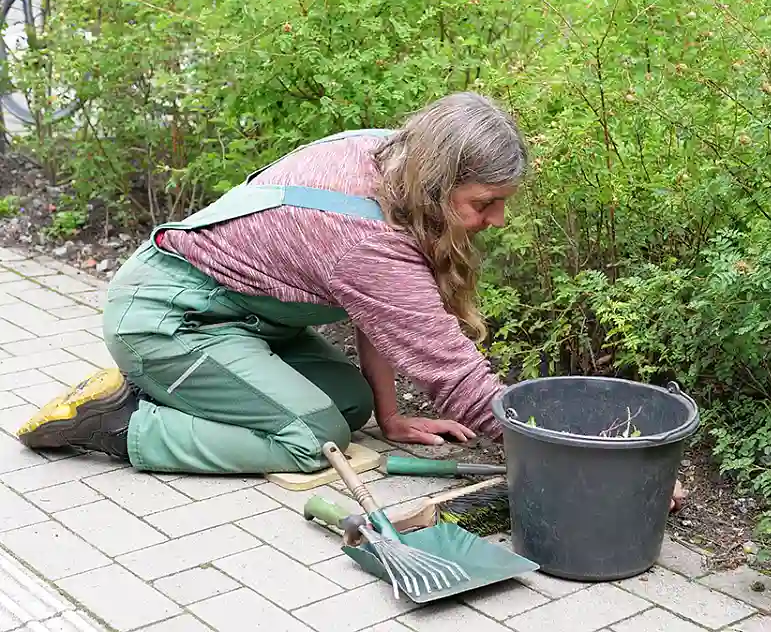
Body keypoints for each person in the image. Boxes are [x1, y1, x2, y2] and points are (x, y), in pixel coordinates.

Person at [16, 91, 685, 509]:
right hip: (169, 321)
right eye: (486, 204)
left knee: (352, 404)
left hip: (237, 322)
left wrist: (390, 419)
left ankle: (188, 393)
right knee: (311, 434)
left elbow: (380, 311)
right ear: (440, 185)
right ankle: (124, 423)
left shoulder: (388, 158)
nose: (498, 221)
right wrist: (600, 470)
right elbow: (454, 376)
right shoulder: (363, 236)